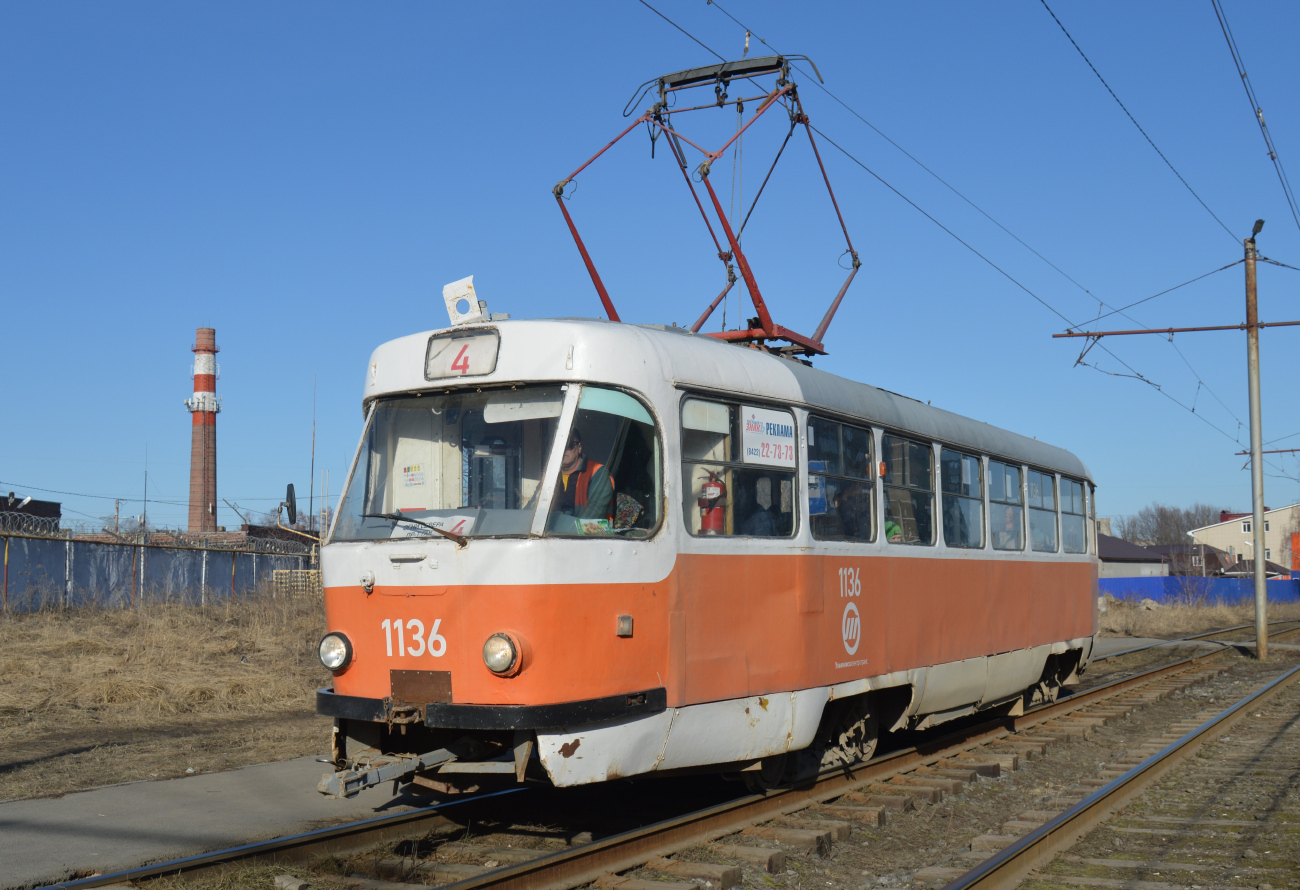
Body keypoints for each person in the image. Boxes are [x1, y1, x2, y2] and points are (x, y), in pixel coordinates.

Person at [552, 428, 613, 520]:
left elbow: (593, 514)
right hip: (551, 532)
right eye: (559, 445)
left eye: (569, 445)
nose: (563, 450)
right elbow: (533, 507)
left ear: (579, 447)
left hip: (586, 533)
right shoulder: (550, 475)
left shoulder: (598, 473)